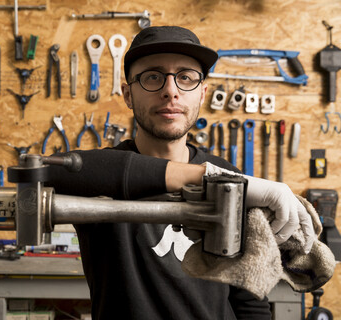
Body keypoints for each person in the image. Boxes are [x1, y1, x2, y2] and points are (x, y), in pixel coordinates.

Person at [48, 26, 315, 320]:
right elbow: (48, 173)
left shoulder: (230, 175)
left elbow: (248, 296)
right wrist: (203, 177)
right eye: (152, 77)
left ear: (202, 93)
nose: (170, 91)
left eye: (185, 78)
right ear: (127, 94)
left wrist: (221, 178)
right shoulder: (100, 175)